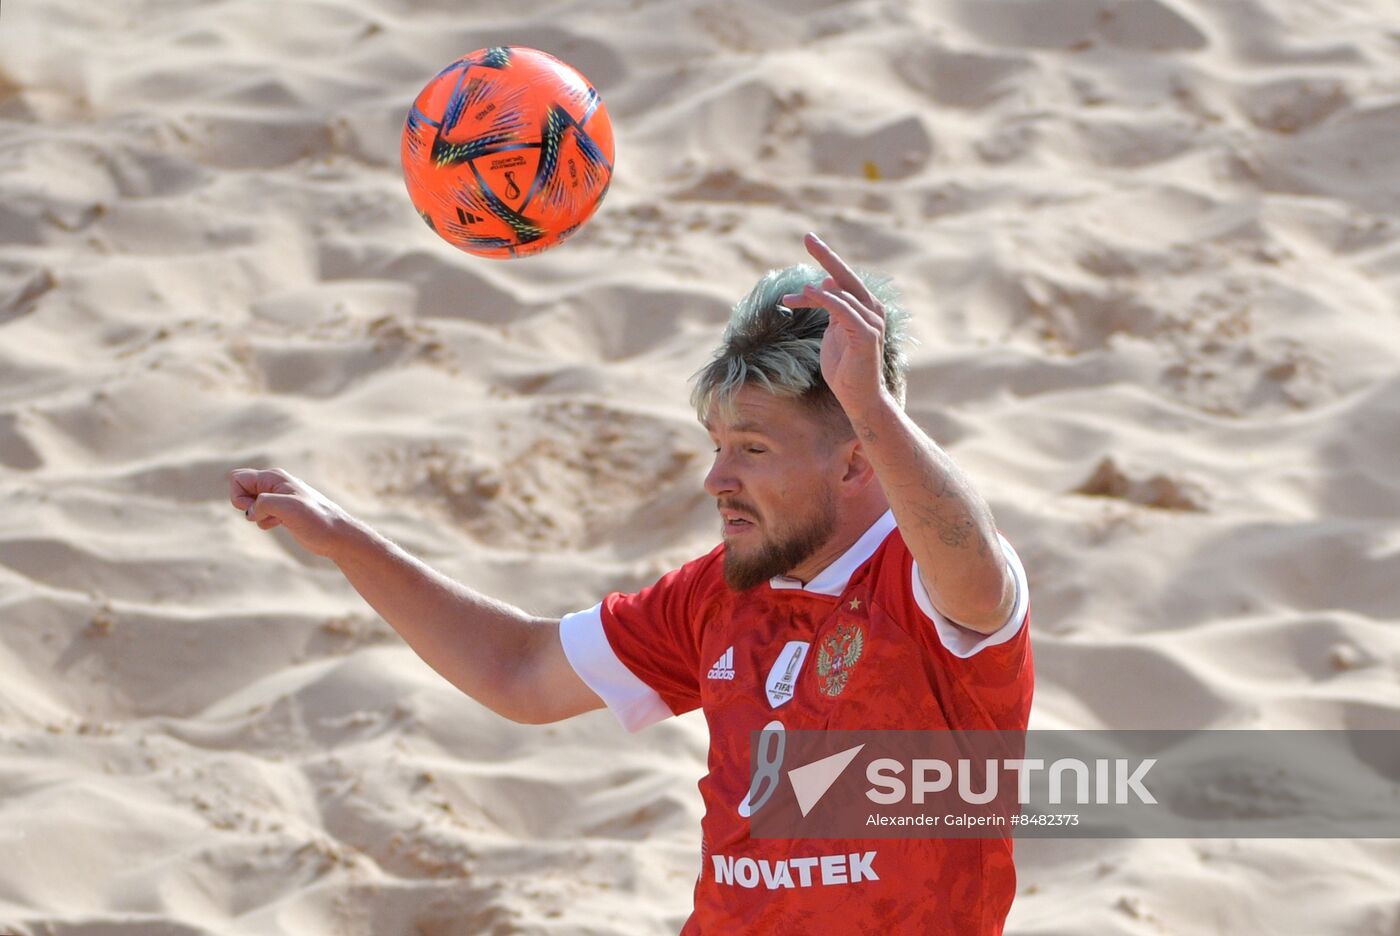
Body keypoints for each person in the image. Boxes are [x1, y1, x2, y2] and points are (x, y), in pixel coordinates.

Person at [228, 233, 1033, 934]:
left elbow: (973, 565)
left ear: (857, 459)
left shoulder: (928, 586)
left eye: (751, 448)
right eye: (715, 444)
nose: (717, 478)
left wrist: (873, 406)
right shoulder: (718, 595)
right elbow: (518, 671)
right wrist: (344, 541)